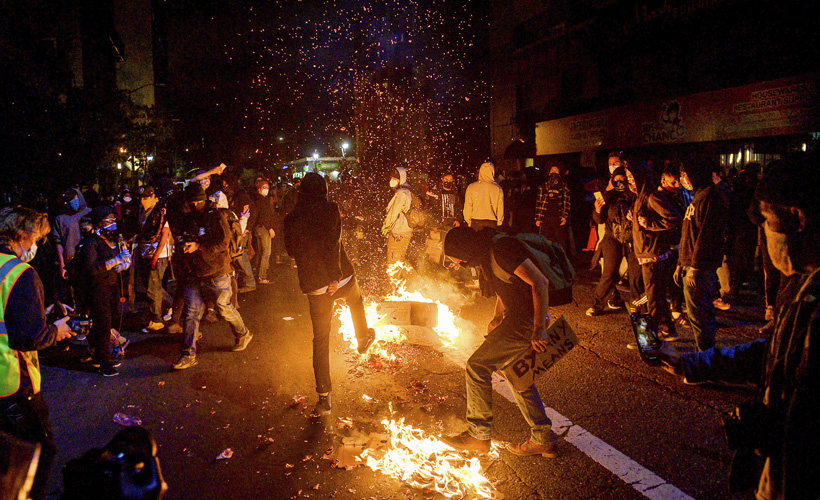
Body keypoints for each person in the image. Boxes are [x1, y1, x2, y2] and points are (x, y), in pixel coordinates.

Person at [659, 153, 820, 500]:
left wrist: (769, 424)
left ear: (797, 218)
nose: (763, 232)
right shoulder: (800, 285)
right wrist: (695, 364)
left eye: (766, 219)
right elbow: (774, 354)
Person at [440, 226, 558, 458]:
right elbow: (508, 286)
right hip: (517, 319)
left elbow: (540, 282)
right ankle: (543, 439)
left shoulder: (502, 250)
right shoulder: (487, 253)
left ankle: (478, 435)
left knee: (477, 366)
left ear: (465, 250)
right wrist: (496, 317)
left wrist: (539, 329)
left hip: (525, 321)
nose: (458, 265)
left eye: (458, 260)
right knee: (517, 376)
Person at [284, 173, 376, 416]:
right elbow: (333, 243)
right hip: (340, 277)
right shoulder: (330, 209)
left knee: (321, 340)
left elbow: (291, 250)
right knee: (355, 299)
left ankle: (324, 399)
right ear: (323, 190)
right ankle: (362, 337)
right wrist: (334, 277)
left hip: (315, 285)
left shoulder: (291, 217)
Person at [0, 206, 73, 499]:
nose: (37, 245)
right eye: (36, 239)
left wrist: (41, 312)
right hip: (13, 387)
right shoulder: (21, 273)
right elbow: (30, 337)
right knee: (37, 455)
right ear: (20, 236)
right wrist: (56, 330)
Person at [173, 183, 252, 370]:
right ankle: (187, 355)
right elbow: (182, 236)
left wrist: (199, 247)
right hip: (194, 273)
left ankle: (243, 334)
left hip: (217, 272)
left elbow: (223, 244)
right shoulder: (189, 218)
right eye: (190, 203)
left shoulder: (216, 217)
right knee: (192, 313)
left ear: (203, 200)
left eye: (197, 203)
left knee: (224, 308)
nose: (194, 206)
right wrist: (184, 244)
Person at [69, 207, 133, 376]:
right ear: (99, 223)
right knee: (102, 326)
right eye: (108, 221)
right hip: (96, 290)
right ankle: (104, 363)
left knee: (106, 323)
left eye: (114, 220)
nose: (112, 224)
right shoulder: (91, 243)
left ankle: (100, 357)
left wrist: (122, 265)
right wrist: (113, 262)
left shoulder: (111, 240)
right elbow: (91, 269)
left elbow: (117, 259)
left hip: (110, 287)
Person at [627, 161, 682, 342]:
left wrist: (650, 224)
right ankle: (668, 329)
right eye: (628, 178)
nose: (630, 182)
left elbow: (674, 218)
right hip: (647, 253)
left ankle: (648, 340)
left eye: (632, 177)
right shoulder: (640, 197)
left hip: (653, 255)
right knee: (657, 296)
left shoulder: (652, 197)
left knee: (652, 299)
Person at [677, 160, 729, 351]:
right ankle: (705, 353)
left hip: (699, 267)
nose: (682, 179)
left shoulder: (710, 197)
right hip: (690, 263)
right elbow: (688, 233)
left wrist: (695, 267)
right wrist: (680, 263)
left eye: (685, 175)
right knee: (697, 312)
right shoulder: (698, 196)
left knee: (699, 313)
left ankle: (706, 355)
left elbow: (706, 235)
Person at [586, 167, 642, 316]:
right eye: (616, 180)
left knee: (636, 276)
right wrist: (598, 210)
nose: (619, 183)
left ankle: (638, 307)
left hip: (632, 239)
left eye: (622, 180)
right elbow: (600, 220)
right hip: (613, 238)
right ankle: (597, 305)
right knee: (609, 273)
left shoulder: (635, 195)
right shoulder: (608, 196)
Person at [136, 185, 172, 332]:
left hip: (159, 254)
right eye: (141, 198)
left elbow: (165, 235)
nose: (143, 201)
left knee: (152, 288)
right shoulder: (142, 212)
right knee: (153, 286)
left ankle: (157, 320)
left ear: (153, 197)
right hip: (145, 252)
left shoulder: (161, 212)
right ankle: (172, 305)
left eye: (146, 198)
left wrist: (156, 256)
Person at [534, 165, 571, 255]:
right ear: (549, 173)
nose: (554, 172)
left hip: (558, 217)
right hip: (545, 217)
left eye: (556, 171)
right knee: (544, 240)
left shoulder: (563, 186)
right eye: (552, 170)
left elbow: (567, 202)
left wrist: (565, 216)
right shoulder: (543, 186)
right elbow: (539, 202)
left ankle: (561, 259)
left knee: (560, 241)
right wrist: (538, 218)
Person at [381, 166, 415, 265]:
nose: (392, 180)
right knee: (400, 257)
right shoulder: (407, 190)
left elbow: (394, 212)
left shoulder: (401, 192)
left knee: (393, 258)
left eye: (395, 178)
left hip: (398, 229)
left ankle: (396, 274)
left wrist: (386, 225)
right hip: (404, 230)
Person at [463, 161, 504, 230]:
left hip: (475, 220)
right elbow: (500, 207)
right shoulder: (498, 188)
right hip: (492, 221)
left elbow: (468, 205)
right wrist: (499, 221)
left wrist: (468, 220)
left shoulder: (472, 187)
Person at [250, 178, 276, 284]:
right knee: (266, 252)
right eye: (264, 187)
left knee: (261, 251)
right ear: (259, 189)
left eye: (267, 187)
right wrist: (270, 228)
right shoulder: (261, 200)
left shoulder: (258, 199)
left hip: (258, 228)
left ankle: (258, 273)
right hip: (263, 228)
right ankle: (262, 276)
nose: (266, 190)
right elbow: (264, 217)